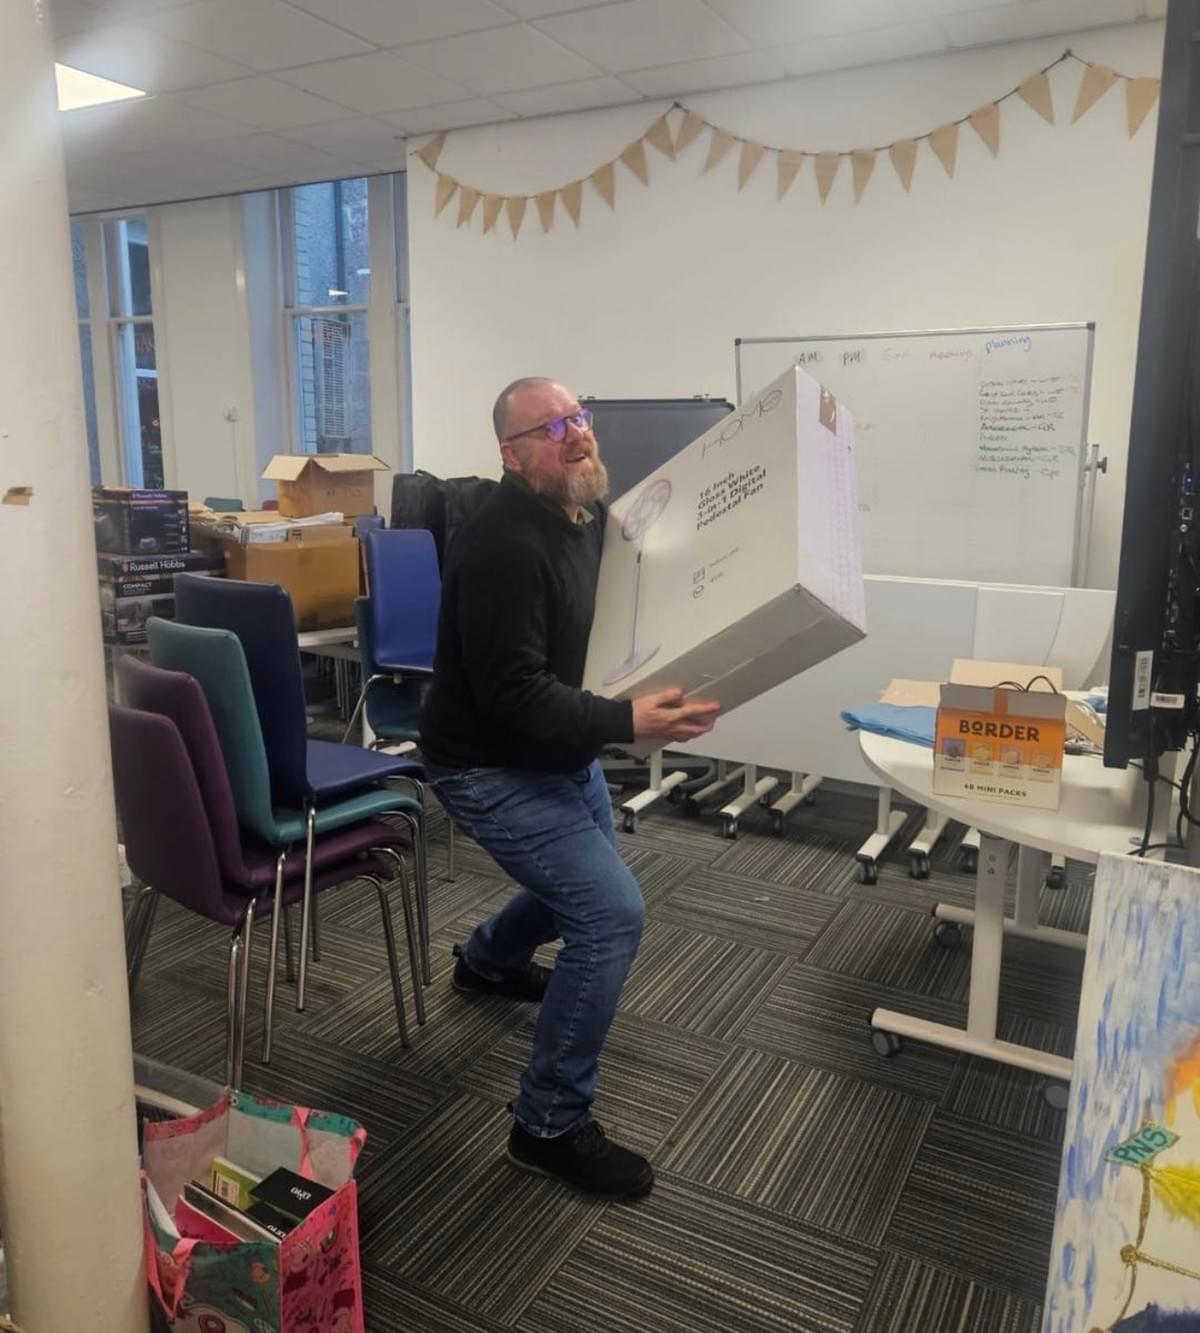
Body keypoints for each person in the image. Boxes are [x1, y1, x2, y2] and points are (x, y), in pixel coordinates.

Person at [420, 377, 720, 1201]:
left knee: (578, 886)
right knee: (610, 911)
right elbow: (513, 698)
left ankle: (486, 963)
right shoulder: (500, 546)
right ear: (513, 456)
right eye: (553, 428)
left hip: (551, 750)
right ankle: (546, 1121)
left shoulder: (579, 519)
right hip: (484, 761)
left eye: (580, 417)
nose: (577, 434)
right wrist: (626, 721)